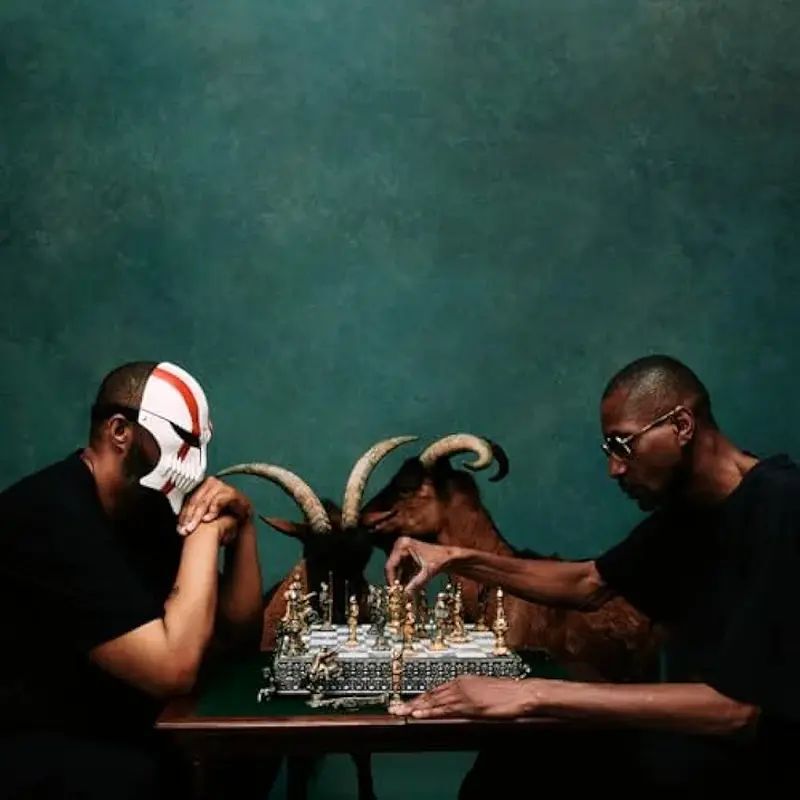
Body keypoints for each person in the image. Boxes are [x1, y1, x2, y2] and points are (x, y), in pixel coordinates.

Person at [383, 354, 799, 791]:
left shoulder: (784, 505)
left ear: (681, 426)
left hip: (754, 766)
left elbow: (739, 710)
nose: (614, 468)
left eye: (623, 445)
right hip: (692, 746)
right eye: (609, 450)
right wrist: (455, 557)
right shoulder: (691, 511)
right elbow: (588, 583)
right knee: (510, 759)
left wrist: (535, 693)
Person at [0, 361, 264, 799]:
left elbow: (238, 637)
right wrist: (204, 531)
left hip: (107, 729)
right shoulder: (51, 514)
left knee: (239, 756)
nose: (195, 462)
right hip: (31, 742)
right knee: (149, 775)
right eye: (182, 439)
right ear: (120, 431)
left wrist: (243, 526)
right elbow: (173, 670)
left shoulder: (145, 509)